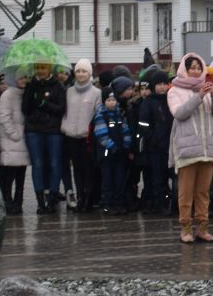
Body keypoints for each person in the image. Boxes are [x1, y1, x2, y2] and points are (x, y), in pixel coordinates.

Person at [169, 53, 213, 242]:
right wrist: (199, 96)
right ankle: (185, 228)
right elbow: (180, 113)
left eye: (199, 67)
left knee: (203, 191)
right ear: (184, 69)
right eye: (192, 67)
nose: (196, 71)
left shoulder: (208, 88)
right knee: (185, 192)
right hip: (187, 148)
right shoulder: (174, 90)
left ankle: (202, 227)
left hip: (208, 148)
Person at [20, 60, 65, 215]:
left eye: (43, 68)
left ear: (49, 69)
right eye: (38, 68)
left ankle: (52, 198)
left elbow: (60, 109)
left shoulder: (58, 86)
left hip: (53, 130)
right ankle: (40, 202)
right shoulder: (31, 85)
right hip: (34, 130)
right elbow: (25, 109)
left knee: (54, 164)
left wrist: (44, 103)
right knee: (37, 165)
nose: (40, 71)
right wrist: (31, 91)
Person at [61, 60, 102, 211]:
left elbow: (98, 114)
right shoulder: (69, 91)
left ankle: (88, 198)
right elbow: (64, 112)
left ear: (89, 73)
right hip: (71, 136)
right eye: (78, 71)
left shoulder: (96, 93)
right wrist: (65, 126)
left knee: (88, 169)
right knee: (76, 169)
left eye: (84, 71)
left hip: (87, 137)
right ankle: (80, 197)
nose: (81, 74)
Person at [135, 66, 173, 217]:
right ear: (153, 86)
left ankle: (166, 201)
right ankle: (158, 204)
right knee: (156, 177)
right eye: (159, 84)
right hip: (155, 147)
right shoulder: (148, 102)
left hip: (168, 145)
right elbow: (143, 125)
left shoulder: (170, 100)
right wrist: (153, 137)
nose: (162, 87)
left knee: (166, 176)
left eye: (164, 83)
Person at [92, 84, 134, 213]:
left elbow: (126, 130)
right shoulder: (101, 115)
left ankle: (118, 202)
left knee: (119, 178)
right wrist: (111, 146)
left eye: (113, 100)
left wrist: (126, 145)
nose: (112, 102)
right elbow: (101, 134)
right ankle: (107, 203)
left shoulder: (120, 114)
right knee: (107, 179)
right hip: (107, 153)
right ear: (104, 101)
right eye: (109, 100)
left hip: (120, 152)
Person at [0, 72, 29, 215]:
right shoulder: (7, 95)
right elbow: (4, 118)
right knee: (8, 177)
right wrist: (15, 135)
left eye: (25, 77)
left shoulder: (28, 94)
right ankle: (7, 202)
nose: (23, 80)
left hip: (25, 141)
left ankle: (18, 203)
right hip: (11, 140)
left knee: (21, 177)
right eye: (21, 77)